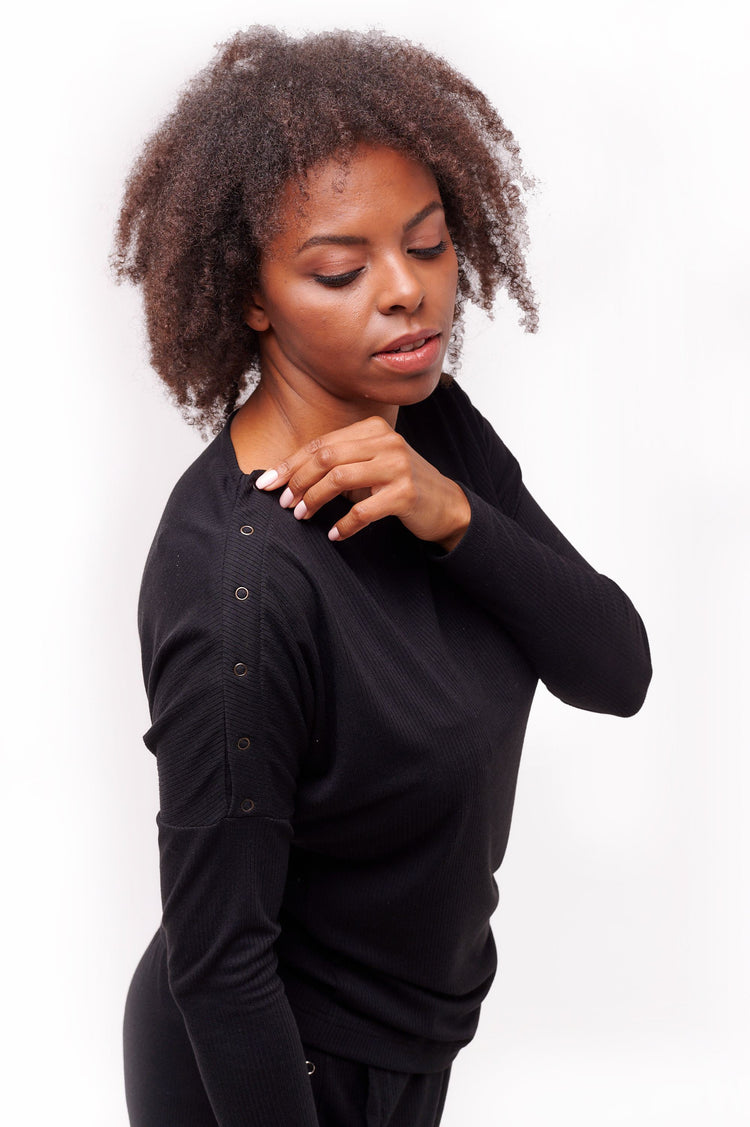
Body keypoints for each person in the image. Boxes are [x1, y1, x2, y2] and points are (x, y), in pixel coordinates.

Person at [111, 27, 653, 1127]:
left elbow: (615, 666)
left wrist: (456, 516)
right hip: (271, 1071)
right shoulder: (239, 589)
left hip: (410, 1044)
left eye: (429, 244)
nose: (407, 295)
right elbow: (221, 967)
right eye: (340, 270)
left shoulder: (429, 430)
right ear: (251, 295)